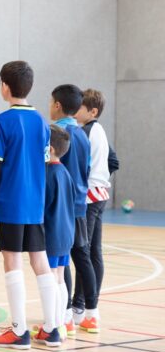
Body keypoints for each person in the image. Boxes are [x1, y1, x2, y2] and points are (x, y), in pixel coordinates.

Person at [0, 61, 59, 349]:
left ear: (4, 86)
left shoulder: (1, 123)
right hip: (35, 205)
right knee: (40, 261)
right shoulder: (42, 122)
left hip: (10, 203)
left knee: (12, 261)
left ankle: (18, 331)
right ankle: (52, 328)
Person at [50, 85, 96, 333]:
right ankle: (90, 313)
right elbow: (86, 168)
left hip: (63, 206)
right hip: (81, 203)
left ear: (57, 105)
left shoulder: (59, 134)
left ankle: (65, 315)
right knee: (80, 257)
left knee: (62, 260)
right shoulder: (81, 134)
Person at [71, 89, 113, 333]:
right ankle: (88, 307)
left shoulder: (86, 132)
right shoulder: (99, 131)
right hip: (100, 194)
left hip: (89, 196)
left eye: (80, 107)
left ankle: (83, 307)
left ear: (92, 111)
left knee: (82, 252)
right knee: (93, 252)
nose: (76, 111)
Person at [34, 125, 76, 344]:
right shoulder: (65, 172)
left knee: (50, 278)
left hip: (52, 234)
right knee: (59, 277)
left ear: (49, 149)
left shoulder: (49, 173)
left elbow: (43, 206)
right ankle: (59, 322)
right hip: (66, 233)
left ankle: (52, 328)